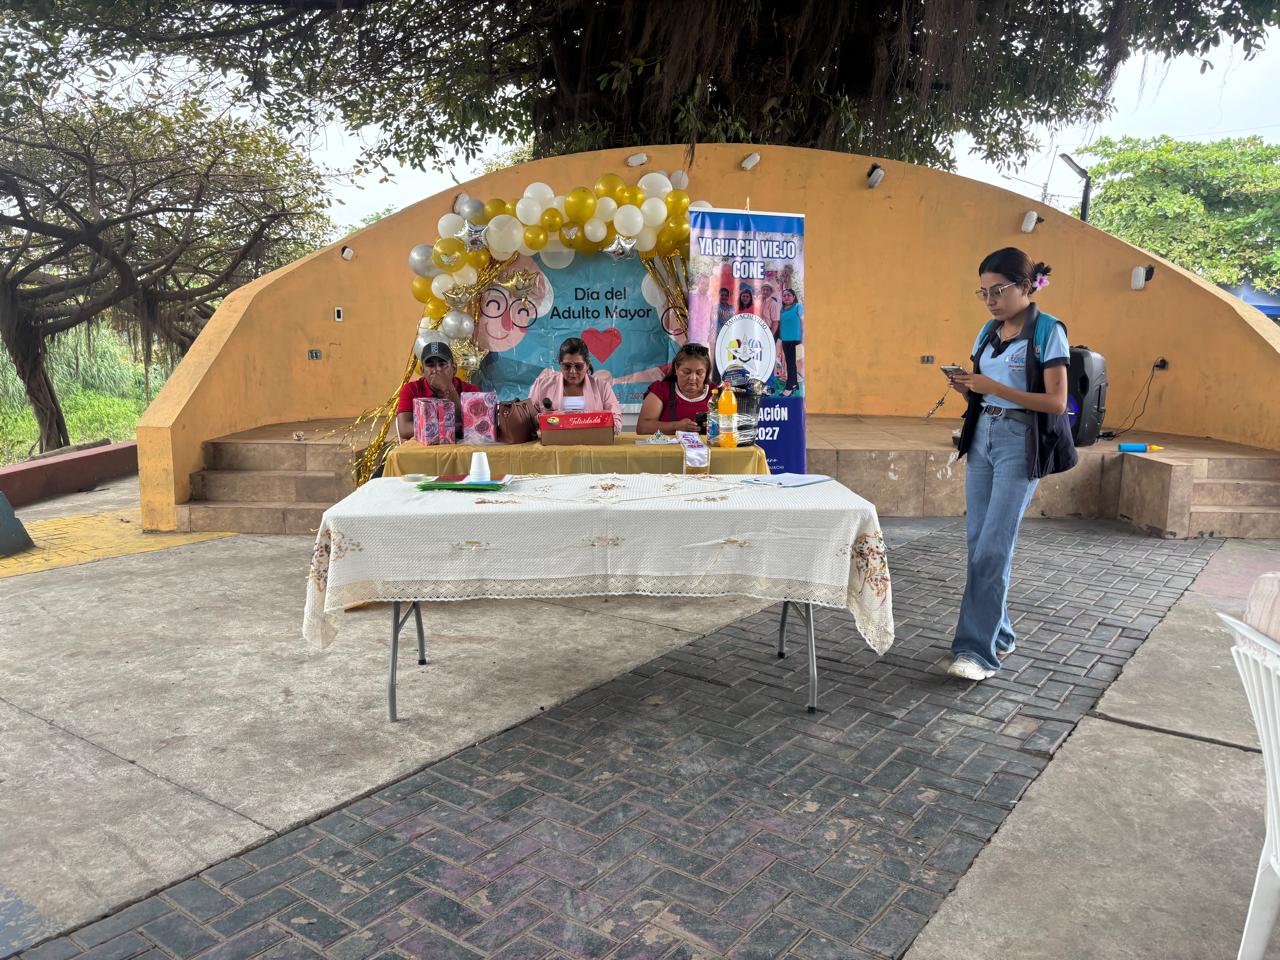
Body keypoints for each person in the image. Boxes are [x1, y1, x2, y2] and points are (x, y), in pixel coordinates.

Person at [946, 247, 1076, 681]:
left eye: (998, 290)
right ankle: (998, 633)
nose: (990, 300)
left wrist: (993, 385)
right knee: (977, 543)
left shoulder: (1048, 331)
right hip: (982, 434)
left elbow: (1056, 402)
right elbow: (985, 389)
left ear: (1024, 286)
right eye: (983, 292)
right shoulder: (989, 331)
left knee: (994, 547)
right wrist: (969, 388)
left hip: (1019, 442)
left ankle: (976, 652)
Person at [528, 336, 623, 434]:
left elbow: (617, 421)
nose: (572, 372)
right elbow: (527, 421)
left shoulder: (602, 387)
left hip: (592, 442)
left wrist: (600, 424)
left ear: (587, 365)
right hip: (555, 442)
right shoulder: (542, 386)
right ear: (560, 365)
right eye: (567, 366)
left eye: (578, 366)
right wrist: (543, 419)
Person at [395, 341, 481, 442]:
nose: (437, 370)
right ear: (423, 371)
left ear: (454, 368)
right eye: (431, 365)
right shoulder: (411, 389)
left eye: (442, 364)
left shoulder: (471, 390)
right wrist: (449, 427)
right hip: (424, 449)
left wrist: (448, 388)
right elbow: (405, 429)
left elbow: (474, 427)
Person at [636, 344, 713, 435]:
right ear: (676, 368)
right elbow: (643, 427)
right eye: (686, 372)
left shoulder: (717, 394)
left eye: (699, 373)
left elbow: (728, 426)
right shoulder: (661, 390)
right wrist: (676, 426)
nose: (692, 378)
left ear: (706, 372)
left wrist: (716, 425)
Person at [778, 287, 804, 396]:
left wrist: (803, 338)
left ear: (794, 297)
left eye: (789, 295)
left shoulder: (798, 306)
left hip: (795, 340)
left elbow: (803, 321)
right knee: (790, 363)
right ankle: (794, 384)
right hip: (785, 340)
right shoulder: (782, 310)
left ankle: (789, 388)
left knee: (791, 364)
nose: (786, 297)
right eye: (784, 295)